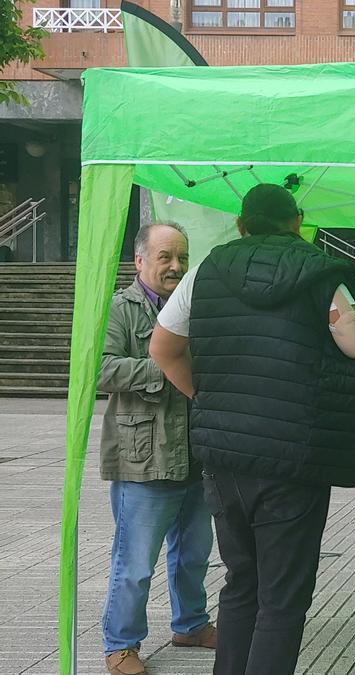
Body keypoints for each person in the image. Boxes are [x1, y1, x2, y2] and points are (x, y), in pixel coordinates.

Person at [149, 184, 355, 675]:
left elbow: (163, 350)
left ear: (240, 224)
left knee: (240, 583)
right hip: (292, 460)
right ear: (296, 222)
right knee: (283, 598)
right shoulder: (321, 275)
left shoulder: (205, 272)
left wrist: (209, 400)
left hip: (223, 458)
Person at [97, 222, 215, 675]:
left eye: (182, 258)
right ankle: (121, 644)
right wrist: (162, 368)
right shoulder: (118, 309)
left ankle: (191, 624)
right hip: (142, 457)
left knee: (193, 553)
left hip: (194, 453)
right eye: (165, 257)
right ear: (139, 260)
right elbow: (100, 369)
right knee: (135, 563)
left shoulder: (192, 307)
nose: (175, 266)